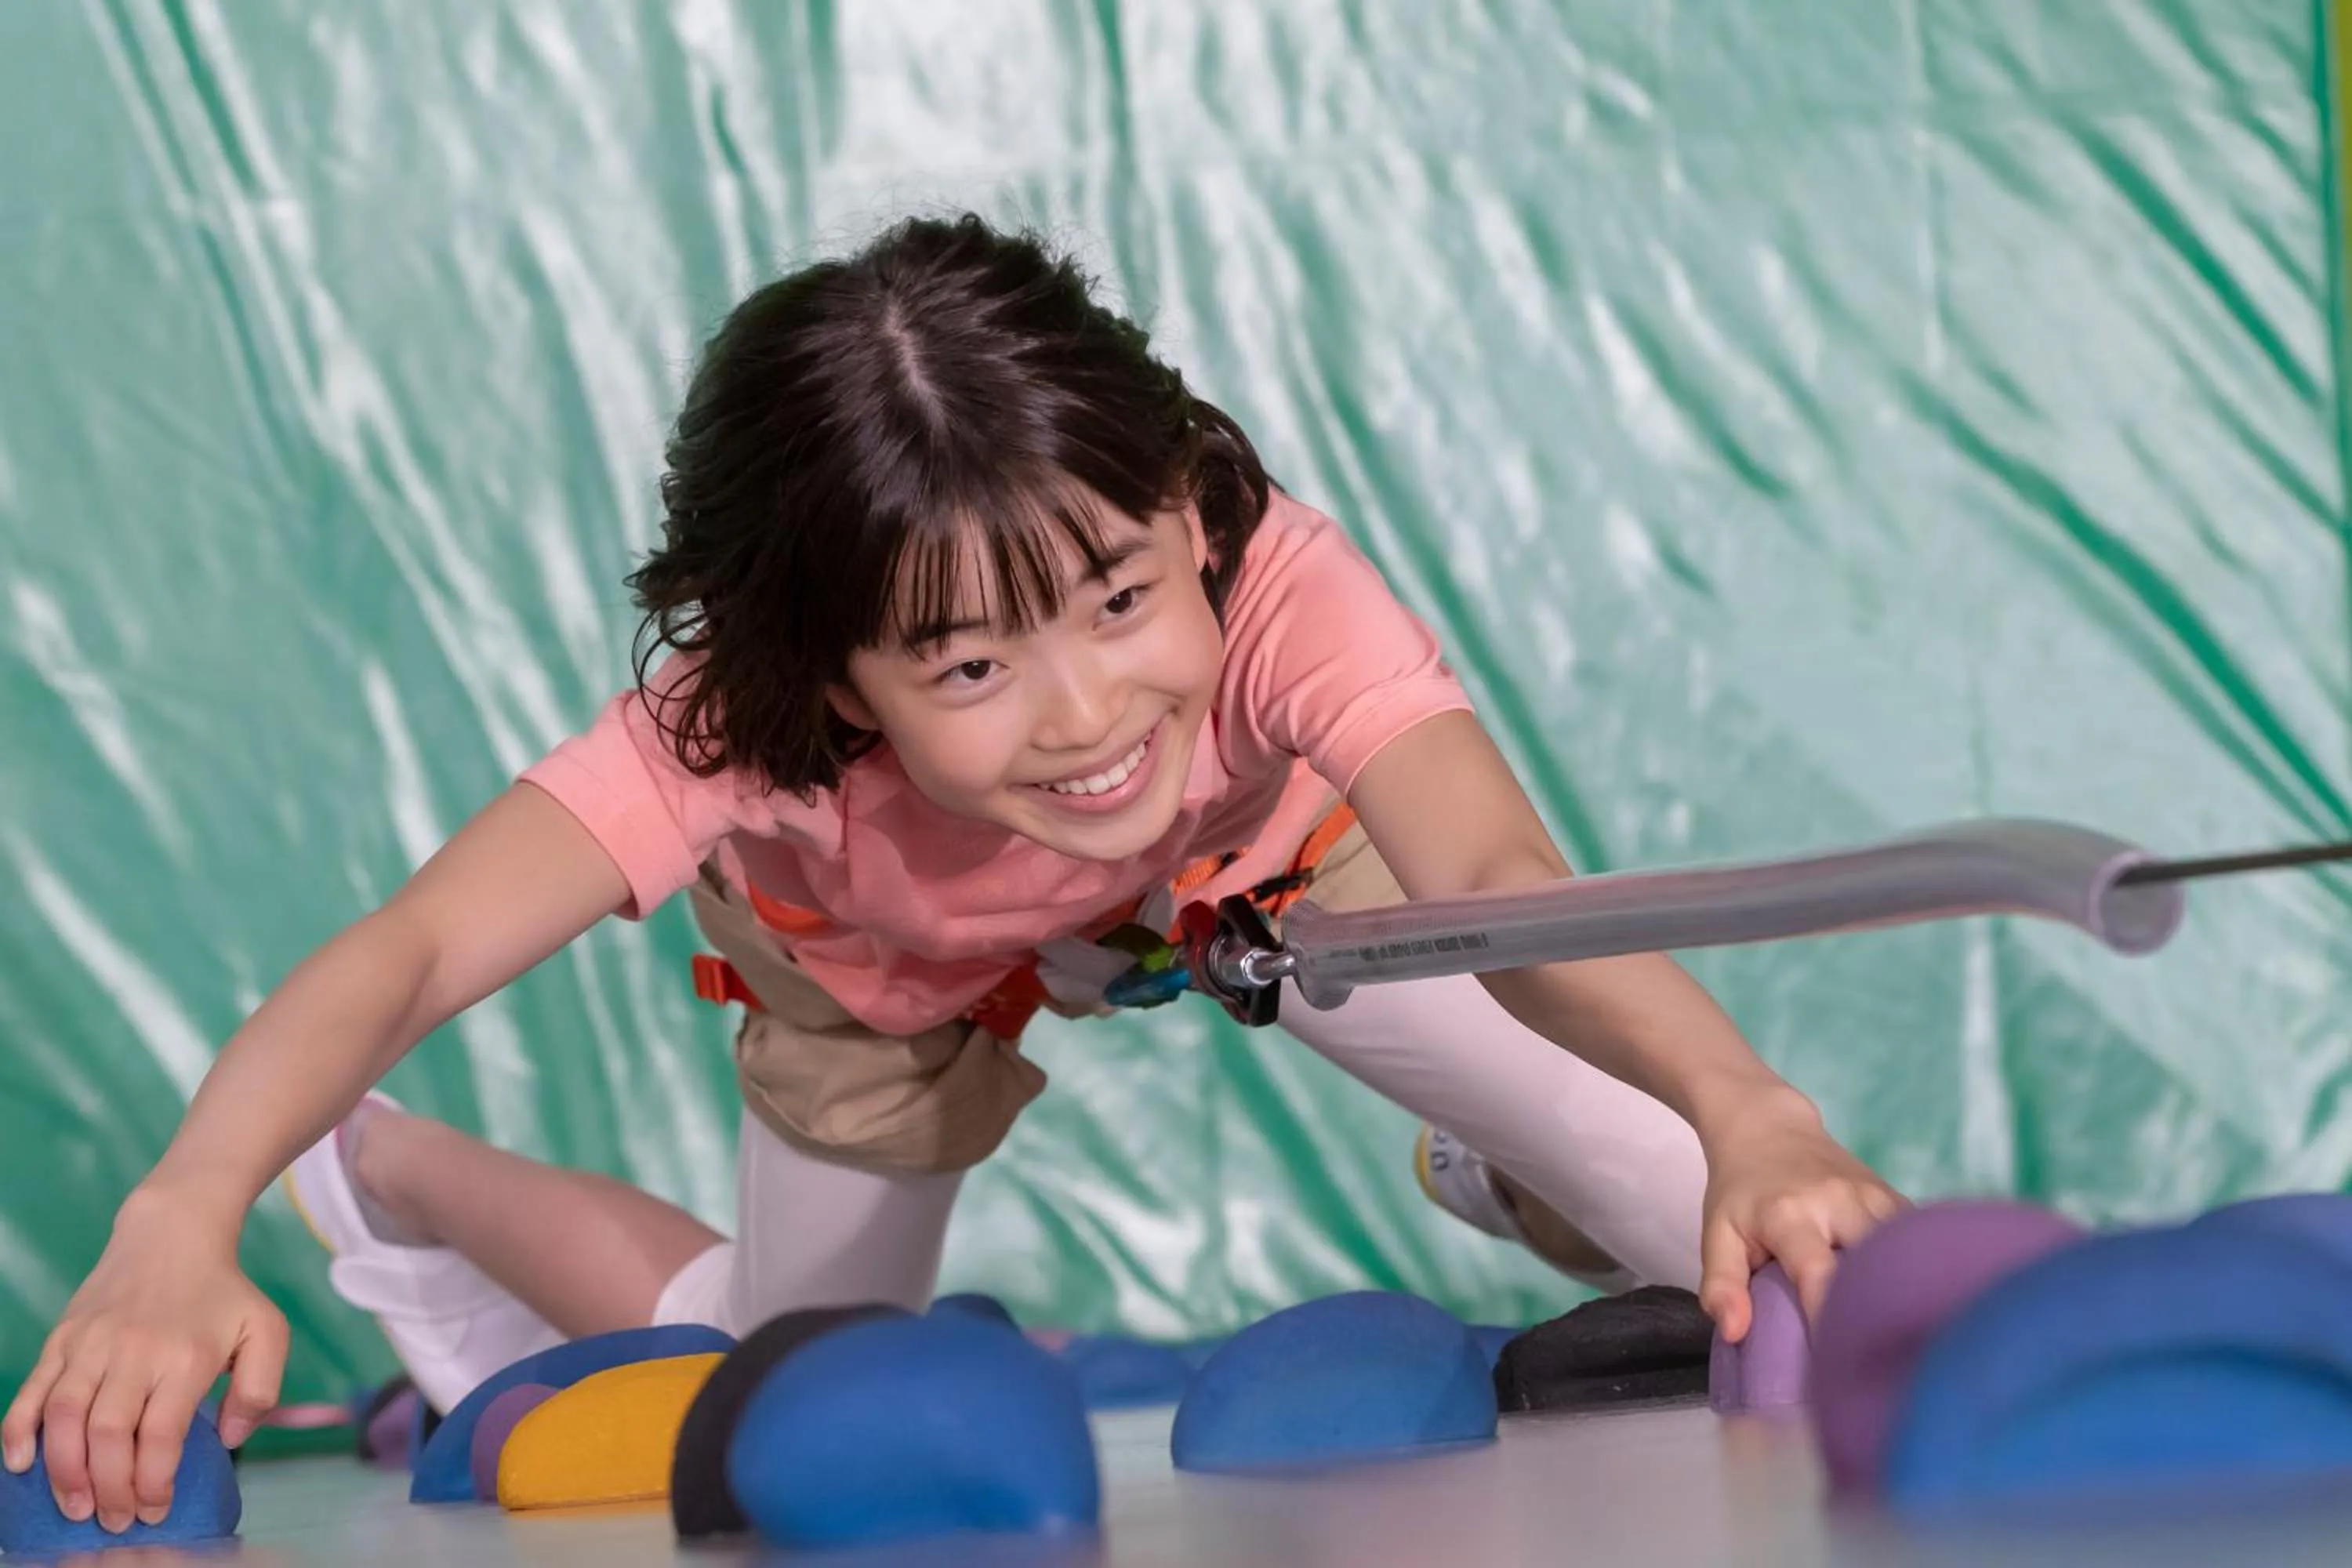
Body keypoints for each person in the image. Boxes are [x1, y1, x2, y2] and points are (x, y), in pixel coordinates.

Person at [3, 212, 1901, 1534]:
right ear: (833, 674)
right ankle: (394, 1169)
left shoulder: (1278, 583)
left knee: (1711, 1217)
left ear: (1182, 506)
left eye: (1122, 600)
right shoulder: (729, 725)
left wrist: (1749, 1102)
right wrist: (185, 1214)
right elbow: (413, 949)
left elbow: (1491, 866)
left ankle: (1518, 1151)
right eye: (970, 666)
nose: (1087, 714)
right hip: (880, 964)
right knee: (785, 1384)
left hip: (1261, 882)